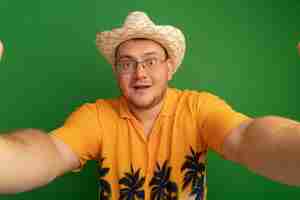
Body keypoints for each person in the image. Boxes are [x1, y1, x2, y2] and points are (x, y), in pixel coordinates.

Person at [0, 11, 299, 200]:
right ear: (117, 72)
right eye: (127, 63)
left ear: (169, 68)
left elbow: (248, 138)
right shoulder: (96, 116)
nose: (140, 73)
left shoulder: (199, 108)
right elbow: (50, 152)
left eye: (150, 61)